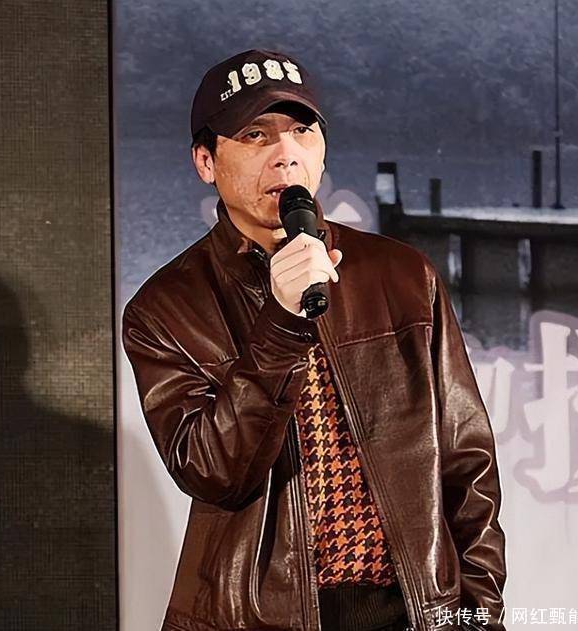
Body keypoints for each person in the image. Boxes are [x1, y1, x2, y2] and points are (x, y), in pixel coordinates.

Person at [122, 49, 507, 631]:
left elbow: (467, 463)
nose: (286, 154)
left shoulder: (402, 275)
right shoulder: (166, 308)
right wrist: (279, 322)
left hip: (413, 612)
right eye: (255, 135)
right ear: (206, 161)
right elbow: (212, 472)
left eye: (301, 131)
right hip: (254, 618)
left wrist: (479, 616)